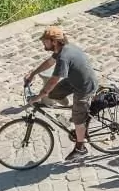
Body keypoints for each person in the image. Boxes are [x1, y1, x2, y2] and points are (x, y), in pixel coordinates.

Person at [24, 26, 99, 162]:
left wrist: (38, 97)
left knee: (78, 120)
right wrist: (33, 74)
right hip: (74, 80)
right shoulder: (61, 49)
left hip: (84, 87)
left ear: (54, 41)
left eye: (45, 41)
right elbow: (49, 62)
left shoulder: (64, 56)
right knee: (54, 94)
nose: (43, 43)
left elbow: (53, 81)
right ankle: (76, 110)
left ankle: (80, 148)